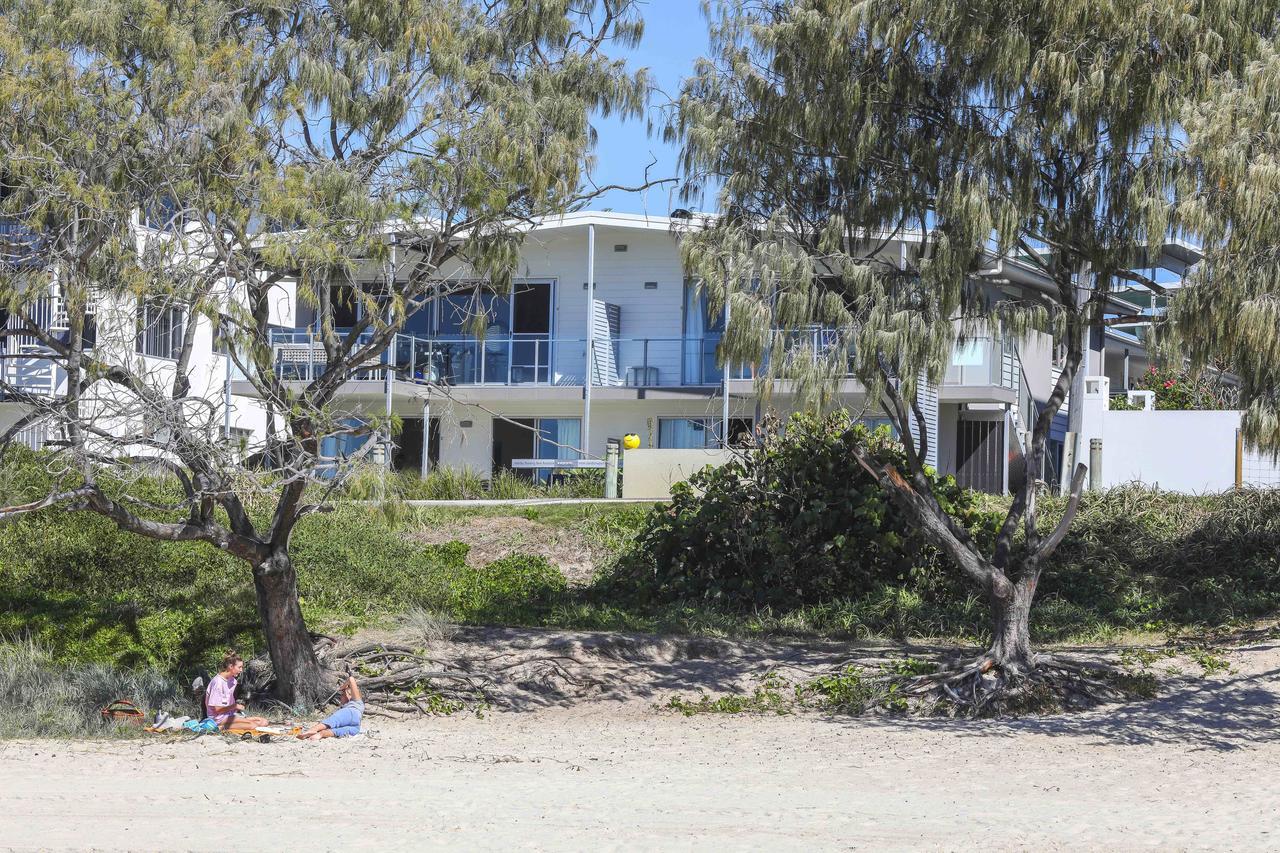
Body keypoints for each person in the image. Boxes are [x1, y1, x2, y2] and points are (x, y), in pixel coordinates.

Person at [205, 652, 269, 733]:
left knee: (263, 722)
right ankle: (220, 728)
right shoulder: (218, 683)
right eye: (239, 667)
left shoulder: (232, 681)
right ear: (231, 666)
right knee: (253, 725)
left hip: (229, 715)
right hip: (217, 718)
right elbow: (217, 709)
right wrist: (234, 706)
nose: (241, 670)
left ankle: (233, 724)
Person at [297, 675, 364, 740]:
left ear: (349, 695)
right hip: (356, 724)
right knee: (337, 731)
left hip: (351, 713)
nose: (341, 697)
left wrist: (343, 687)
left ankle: (313, 729)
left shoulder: (356, 701)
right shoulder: (347, 706)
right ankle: (321, 734)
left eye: (343, 695)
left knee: (334, 720)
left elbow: (351, 679)